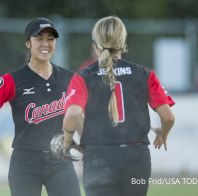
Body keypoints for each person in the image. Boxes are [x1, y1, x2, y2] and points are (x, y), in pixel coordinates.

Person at [0, 17, 81, 196]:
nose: (46, 43)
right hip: (25, 164)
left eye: (50, 39)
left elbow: (86, 114)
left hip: (60, 161)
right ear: (28, 43)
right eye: (39, 38)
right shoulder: (11, 80)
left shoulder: (70, 78)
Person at [59, 16, 175, 196]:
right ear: (122, 43)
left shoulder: (83, 76)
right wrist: (163, 132)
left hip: (99, 158)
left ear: (96, 45)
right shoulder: (143, 74)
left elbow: (73, 115)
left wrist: (66, 142)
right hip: (136, 158)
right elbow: (168, 117)